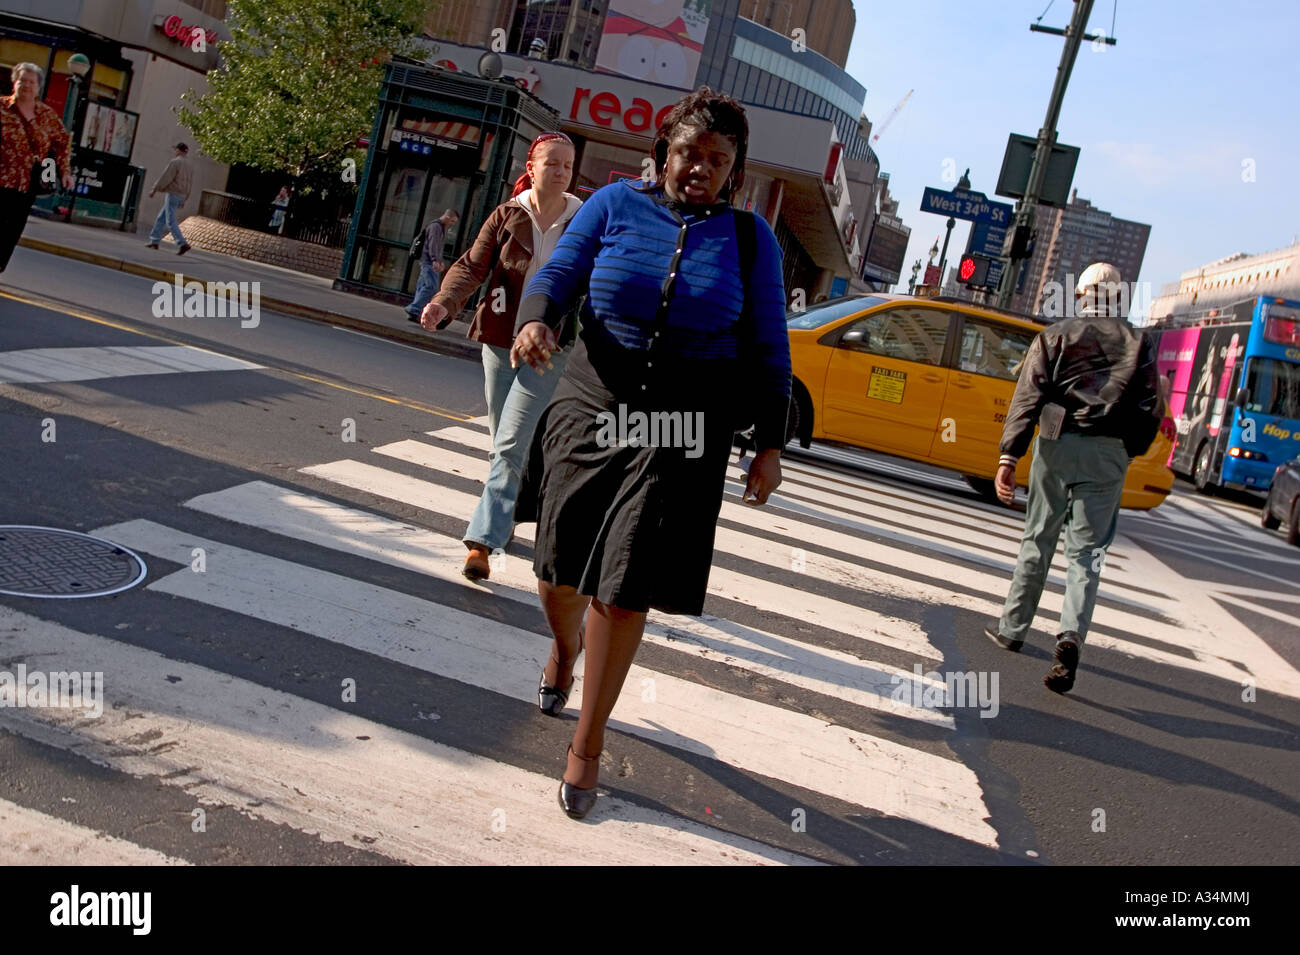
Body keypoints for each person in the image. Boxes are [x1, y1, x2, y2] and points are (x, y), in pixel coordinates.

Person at [509, 87, 790, 818]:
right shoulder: (610, 205)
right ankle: (566, 650)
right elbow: (558, 275)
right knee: (559, 566)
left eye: (718, 160)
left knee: (624, 581)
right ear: (666, 149)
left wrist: (768, 442)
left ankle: (588, 745)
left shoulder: (752, 240)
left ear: (735, 171)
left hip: (682, 427)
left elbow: (768, 346)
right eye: (691, 153)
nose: (702, 168)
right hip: (592, 397)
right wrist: (537, 321)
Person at [985, 262, 1163, 693]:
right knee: (1087, 554)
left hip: (1057, 442)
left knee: (1039, 536)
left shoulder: (1056, 336)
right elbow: (1150, 408)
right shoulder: (1139, 342)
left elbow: (1030, 395)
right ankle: (1069, 637)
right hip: (1108, 452)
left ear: (1082, 296)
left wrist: (1010, 454)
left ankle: (1013, 628)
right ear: (1118, 298)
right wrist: (1126, 449)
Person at [420, 133, 581, 581]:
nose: (562, 171)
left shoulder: (582, 220)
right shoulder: (508, 214)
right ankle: (506, 514)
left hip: (549, 347)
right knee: (503, 440)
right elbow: (473, 266)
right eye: (553, 163)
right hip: (498, 338)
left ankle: (482, 542)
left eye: (568, 165)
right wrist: (444, 302)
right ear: (531, 167)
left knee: (510, 442)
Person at [0, 62, 75, 273]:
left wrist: (65, 171)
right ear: (14, 82)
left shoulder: (46, 115)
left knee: (12, 229)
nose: (26, 85)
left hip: (26, 185)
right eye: (22, 80)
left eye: (31, 82)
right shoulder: (2, 107)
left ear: (38, 87)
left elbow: (62, 143)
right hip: (1, 179)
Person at [405, 208, 458, 322]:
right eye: (452, 221)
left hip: (427, 260)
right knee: (431, 287)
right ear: (447, 217)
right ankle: (414, 309)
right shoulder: (436, 227)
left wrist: (439, 260)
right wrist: (435, 260)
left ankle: (414, 312)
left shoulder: (438, 226)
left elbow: (437, 246)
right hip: (429, 261)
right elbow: (434, 244)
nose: (452, 224)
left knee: (423, 286)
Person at [146, 143, 194, 254]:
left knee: (170, 221)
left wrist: (155, 189)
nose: (175, 152)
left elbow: (166, 177)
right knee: (161, 217)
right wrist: (185, 198)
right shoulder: (189, 166)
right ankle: (154, 240)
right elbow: (189, 184)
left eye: (176, 149)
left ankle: (182, 243)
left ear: (179, 150)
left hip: (173, 194)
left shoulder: (176, 162)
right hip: (182, 195)